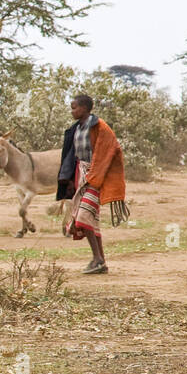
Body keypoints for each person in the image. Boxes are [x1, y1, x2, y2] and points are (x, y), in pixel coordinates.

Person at [56, 94, 129, 273]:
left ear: (85, 108)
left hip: (96, 176)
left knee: (83, 217)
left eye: (74, 107)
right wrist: (71, 179)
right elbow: (72, 156)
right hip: (81, 176)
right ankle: (100, 261)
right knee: (90, 219)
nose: (72, 111)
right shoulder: (75, 129)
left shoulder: (100, 127)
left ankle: (97, 258)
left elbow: (109, 150)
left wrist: (94, 176)